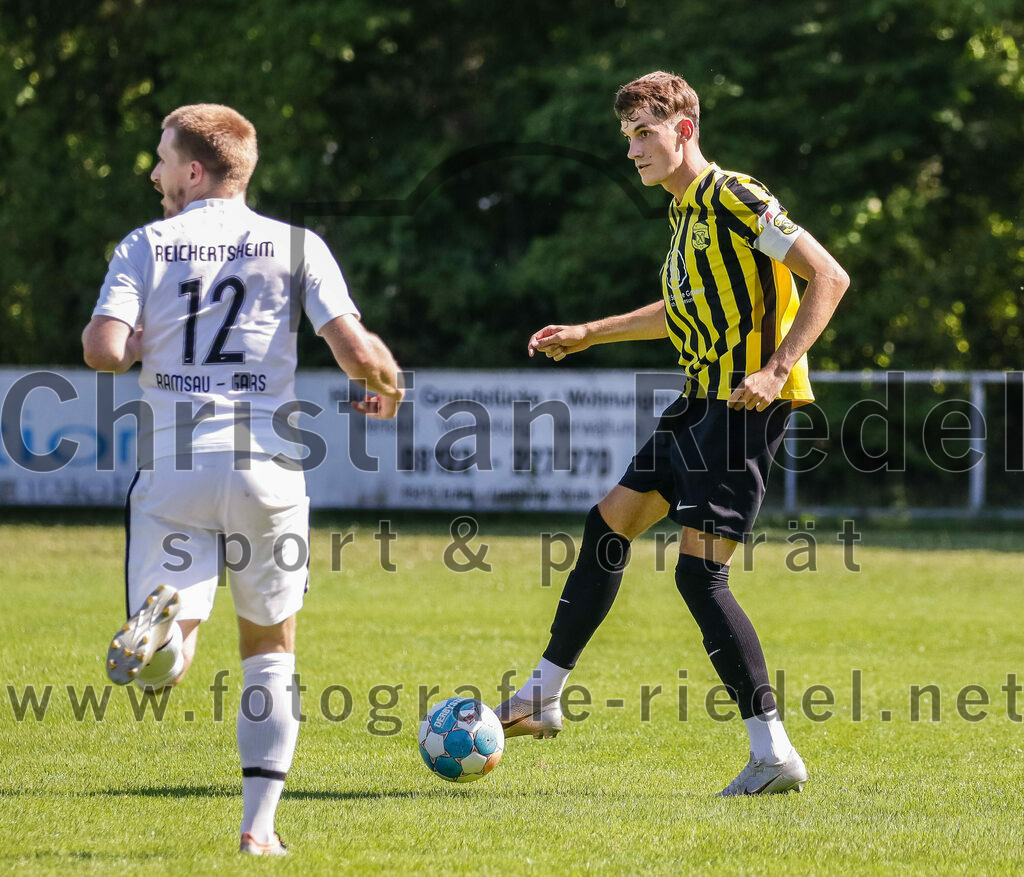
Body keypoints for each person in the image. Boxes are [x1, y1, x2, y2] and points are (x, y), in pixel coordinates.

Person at [496, 72, 849, 796]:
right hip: (699, 403)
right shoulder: (684, 214)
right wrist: (591, 333)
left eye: (644, 133)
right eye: (626, 137)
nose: (632, 150)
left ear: (684, 129)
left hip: (743, 408)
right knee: (608, 523)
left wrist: (778, 368)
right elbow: (681, 305)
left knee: (698, 574)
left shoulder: (734, 195)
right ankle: (543, 693)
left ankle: (774, 751)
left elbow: (829, 276)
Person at [82, 103, 403, 853]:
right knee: (270, 647)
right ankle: (259, 831)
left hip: (175, 469)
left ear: (195, 170)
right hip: (269, 470)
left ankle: (165, 634)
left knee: (168, 665)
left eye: (161, 158)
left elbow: (104, 350)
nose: (154, 172)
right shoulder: (297, 245)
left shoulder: (147, 244)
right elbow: (355, 350)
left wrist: (134, 340)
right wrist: (387, 385)